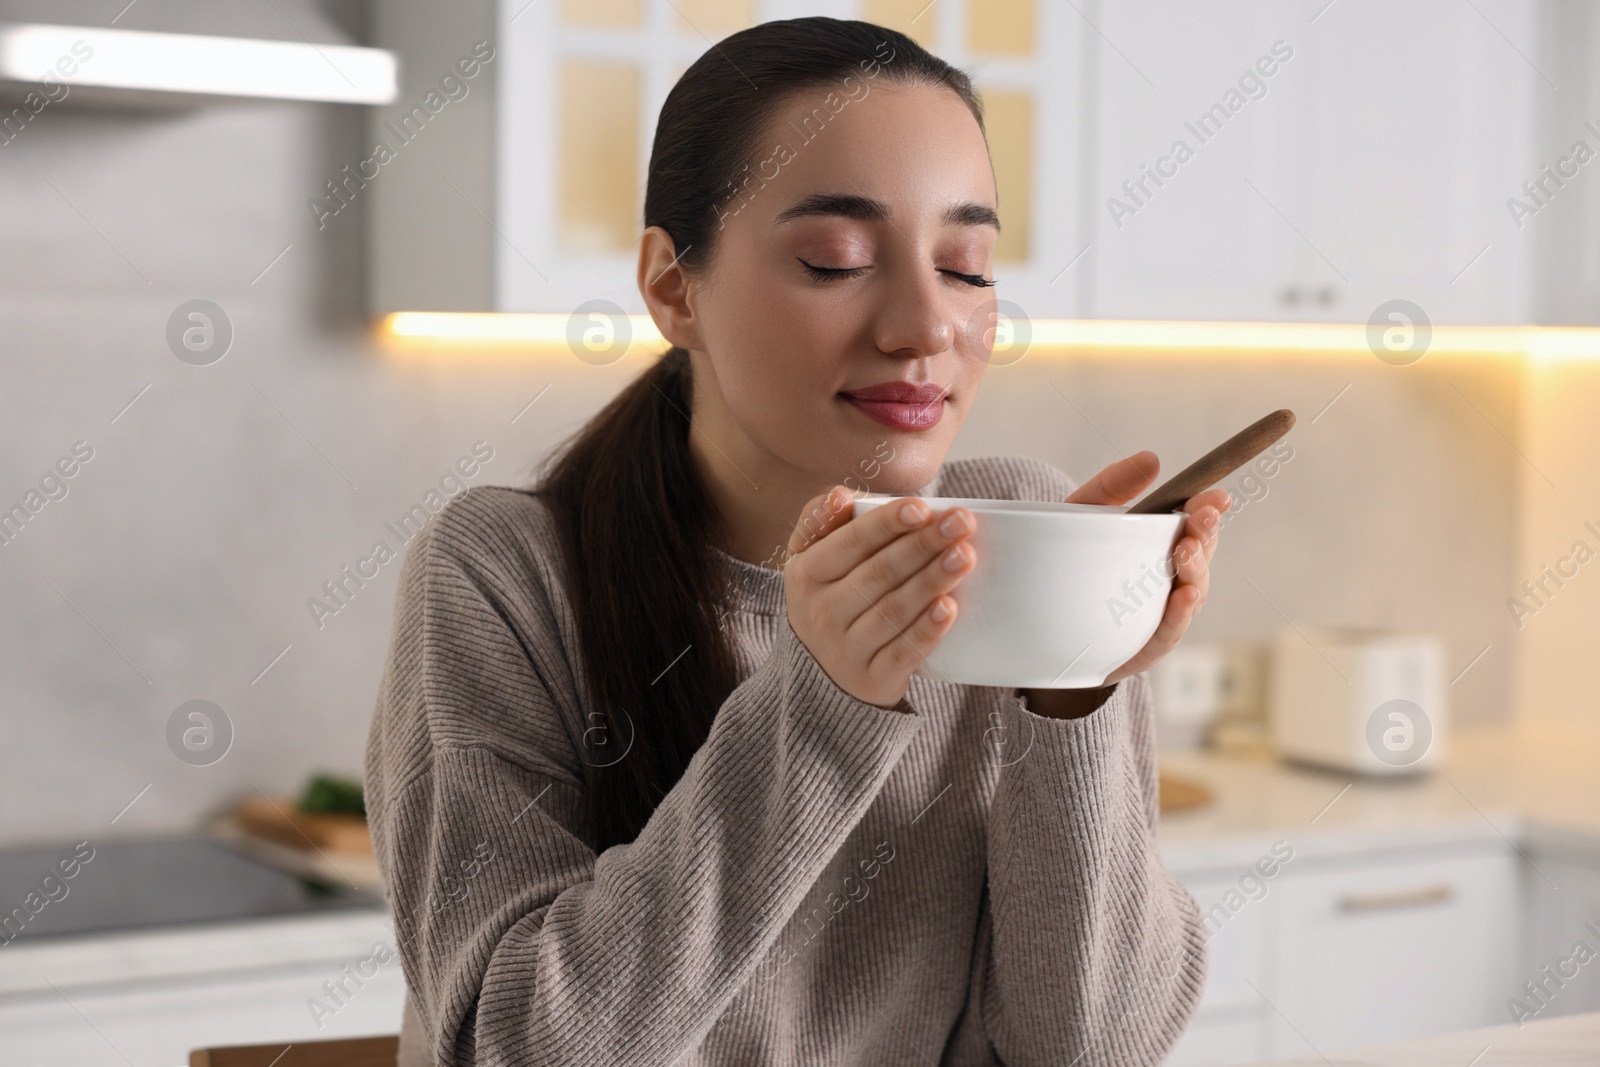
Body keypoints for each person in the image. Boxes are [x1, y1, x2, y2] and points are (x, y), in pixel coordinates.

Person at [366, 16, 1228, 1066]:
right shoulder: (504, 572)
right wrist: (821, 702)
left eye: (965, 264)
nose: (925, 325)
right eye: (836, 260)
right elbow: (514, 1046)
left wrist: (1068, 685)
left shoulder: (1022, 540)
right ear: (673, 286)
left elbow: (1090, 1045)